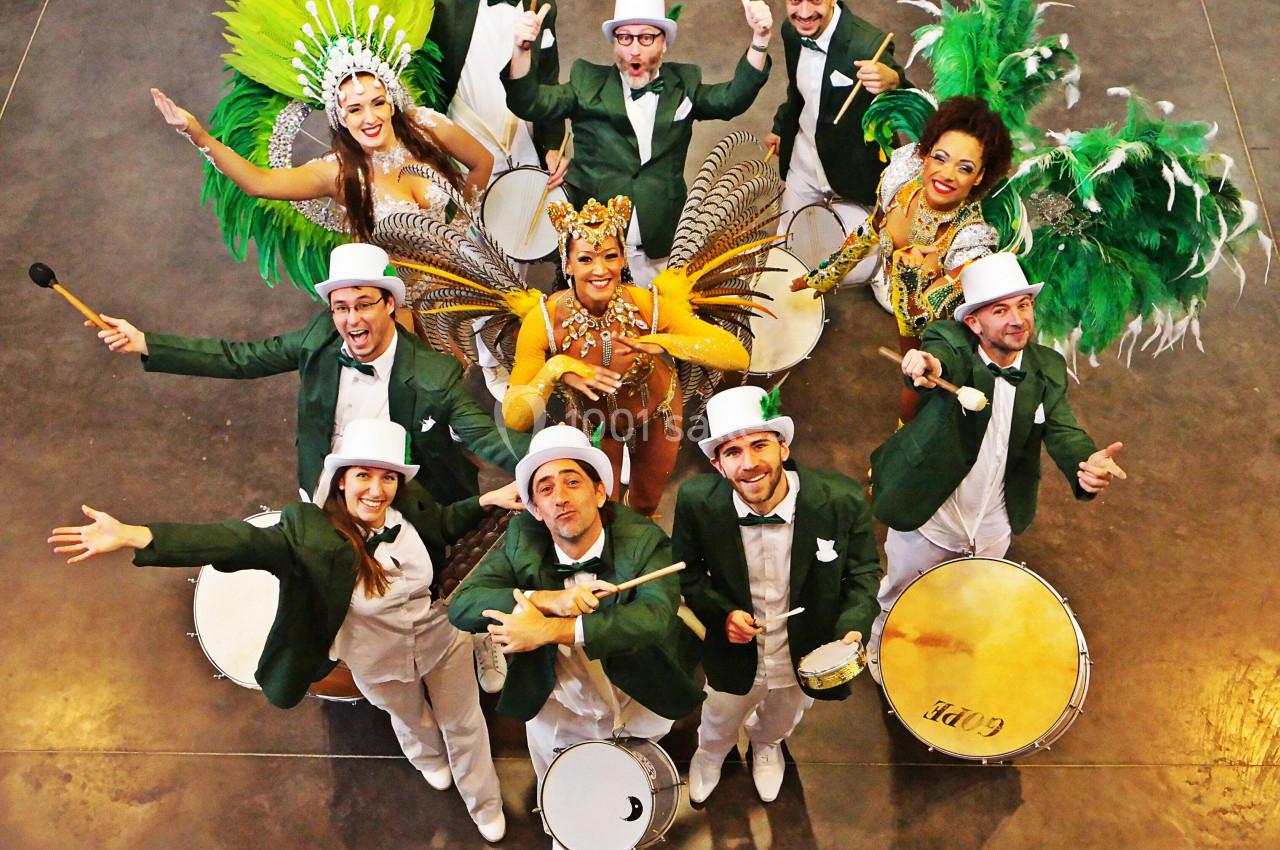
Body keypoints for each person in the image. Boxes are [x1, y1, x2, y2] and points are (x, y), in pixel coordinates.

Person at [47, 419, 519, 842]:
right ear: (340, 479)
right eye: (364, 476)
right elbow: (239, 541)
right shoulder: (310, 533)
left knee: (466, 723)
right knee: (409, 717)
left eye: (388, 477)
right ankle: (428, 758)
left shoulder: (409, 504)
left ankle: (484, 801)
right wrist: (138, 535)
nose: (377, 490)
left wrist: (487, 500)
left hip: (441, 639)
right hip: (377, 660)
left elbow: (441, 524)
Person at [92, 242, 529, 508]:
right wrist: (147, 343)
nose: (351, 319)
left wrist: (554, 465)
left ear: (389, 306)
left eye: (363, 304)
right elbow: (240, 358)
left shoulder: (434, 374)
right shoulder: (317, 340)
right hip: (324, 483)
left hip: (404, 500)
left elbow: (485, 437)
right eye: (341, 307)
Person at [868, 252, 1127, 663]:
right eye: (1000, 310)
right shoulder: (953, 344)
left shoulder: (1047, 367)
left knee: (967, 599)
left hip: (993, 522)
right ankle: (883, 649)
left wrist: (1086, 463)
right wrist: (925, 362)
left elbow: (1062, 428)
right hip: (931, 511)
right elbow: (938, 354)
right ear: (974, 322)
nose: (1017, 319)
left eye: (1024, 305)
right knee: (900, 595)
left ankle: (940, 656)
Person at [447, 425, 703, 818]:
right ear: (534, 507)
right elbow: (462, 605)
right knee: (557, 784)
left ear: (600, 492)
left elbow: (653, 618)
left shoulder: (643, 540)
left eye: (572, 482)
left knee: (628, 776)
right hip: (559, 704)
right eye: (545, 489)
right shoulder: (522, 539)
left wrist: (555, 630)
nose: (561, 498)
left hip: (637, 698)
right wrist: (547, 601)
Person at [673, 386, 881, 804]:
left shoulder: (840, 500)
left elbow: (863, 573)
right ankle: (712, 754)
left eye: (760, 446)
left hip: (804, 647)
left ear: (783, 448)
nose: (749, 464)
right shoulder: (697, 502)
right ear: (716, 464)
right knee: (720, 713)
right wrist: (722, 615)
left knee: (786, 713)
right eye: (732, 452)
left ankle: (767, 744)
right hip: (735, 653)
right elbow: (688, 574)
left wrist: (852, 629)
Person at [500, 196, 751, 517]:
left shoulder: (648, 305)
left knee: (647, 501)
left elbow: (736, 355)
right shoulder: (545, 321)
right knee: (602, 505)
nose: (600, 270)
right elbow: (515, 418)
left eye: (610, 256)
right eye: (586, 259)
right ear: (567, 265)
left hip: (659, 415)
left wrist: (666, 342)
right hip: (593, 423)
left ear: (623, 261)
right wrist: (556, 367)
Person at [502, 0, 774, 284]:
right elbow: (529, 103)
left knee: (660, 325)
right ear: (615, 43)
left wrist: (761, 40)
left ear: (664, 43)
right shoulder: (586, 84)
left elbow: (731, 99)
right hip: (595, 250)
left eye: (646, 38)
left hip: (661, 249)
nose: (634, 49)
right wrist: (521, 50)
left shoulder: (683, 85)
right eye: (625, 38)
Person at [794, 96, 1014, 424]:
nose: (947, 174)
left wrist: (910, 282)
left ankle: (902, 447)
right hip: (899, 294)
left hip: (932, 322)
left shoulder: (968, 243)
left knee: (916, 376)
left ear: (980, 177)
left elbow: (922, 325)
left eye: (965, 168)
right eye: (940, 157)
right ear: (925, 154)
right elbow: (871, 230)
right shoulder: (903, 181)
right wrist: (825, 276)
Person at [152, 72, 492, 245]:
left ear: (391, 103)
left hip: (468, 270)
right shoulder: (337, 173)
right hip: (404, 298)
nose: (369, 118)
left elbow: (482, 162)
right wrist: (197, 134)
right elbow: (259, 183)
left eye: (377, 103)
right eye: (355, 109)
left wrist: (462, 229)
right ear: (341, 118)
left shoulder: (425, 126)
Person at [765, 0, 906, 238]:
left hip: (852, 168)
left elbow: (906, 103)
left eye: (816, 1)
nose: (805, 13)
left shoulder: (868, 45)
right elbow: (798, 90)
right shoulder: (791, 30)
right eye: (795, 1)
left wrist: (893, 82)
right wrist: (781, 126)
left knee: (855, 262)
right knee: (788, 242)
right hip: (804, 161)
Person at [428, 0, 567, 185]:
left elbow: (548, 81)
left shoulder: (542, 5)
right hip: (464, 154)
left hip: (525, 151)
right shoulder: (445, 5)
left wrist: (553, 145)